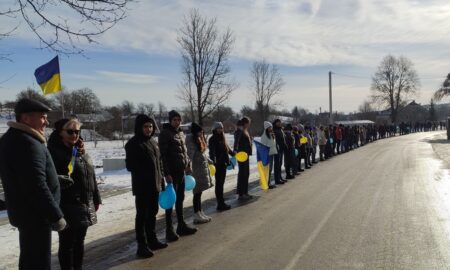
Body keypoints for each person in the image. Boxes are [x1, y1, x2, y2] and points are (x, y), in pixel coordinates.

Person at [0, 98, 66, 270]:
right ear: (26, 118)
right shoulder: (27, 143)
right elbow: (35, 185)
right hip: (36, 215)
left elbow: (26, 177)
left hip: (28, 213)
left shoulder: (15, 138)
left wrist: (55, 179)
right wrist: (55, 215)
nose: (46, 121)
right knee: (38, 262)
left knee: (30, 258)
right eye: (43, 117)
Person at [47, 118, 102, 268]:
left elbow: (91, 176)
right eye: (70, 131)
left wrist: (96, 198)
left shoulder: (81, 152)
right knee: (67, 243)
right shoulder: (53, 153)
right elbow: (49, 180)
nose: (74, 135)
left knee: (80, 241)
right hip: (66, 205)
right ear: (60, 133)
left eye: (77, 131)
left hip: (84, 203)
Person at [125, 114, 168, 258]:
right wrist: (145, 171)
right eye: (145, 126)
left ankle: (152, 240)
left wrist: (161, 179)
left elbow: (159, 163)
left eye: (150, 126)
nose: (148, 129)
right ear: (139, 127)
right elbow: (130, 166)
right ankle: (141, 245)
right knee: (142, 216)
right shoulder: (133, 144)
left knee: (153, 213)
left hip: (155, 184)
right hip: (143, 187)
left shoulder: (153, 142)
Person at [159, 110, 197, 242]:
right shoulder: (165, 134)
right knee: (170, 201)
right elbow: (162, 156)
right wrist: (166, 173)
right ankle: (169, 230)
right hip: (172, 173)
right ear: (170, 120)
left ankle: (181, 225)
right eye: (174, 119)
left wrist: (188, 164)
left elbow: (183, 152)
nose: (177, 122)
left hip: (181, 171)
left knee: (180, 199)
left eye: (179, 119)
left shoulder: (180, 133)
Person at [186, 123, 214, 224]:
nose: (201, 133)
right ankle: (196, 214)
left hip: (201, 169)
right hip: (195, 170)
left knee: (199, 192)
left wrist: (209, 161)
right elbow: (191, 155)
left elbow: (202, 153)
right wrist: (190, 168)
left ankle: (200, 212)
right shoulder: (191, 140)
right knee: (196, 193)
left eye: (201, 132)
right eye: (199, 132)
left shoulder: (199, 140)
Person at [208, 122, 234, 211]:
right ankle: (220, 204)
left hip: (223, 164)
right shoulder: (212, 139)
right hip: (218, 165)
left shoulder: (222, 138)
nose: (220, 129)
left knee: (221, 184)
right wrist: (213, 162)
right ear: (214, 129)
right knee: (219, 185)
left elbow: (227, 149)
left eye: (221, 128)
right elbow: (212, 152)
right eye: (218, 128)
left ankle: (221, 202)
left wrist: (234, 154)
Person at [234, 117, 253, 199]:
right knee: (243, 174)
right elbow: (236, 141)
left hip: (245, 155)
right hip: (242, 155)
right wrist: (235, 149)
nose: (249, 125)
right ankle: (242, 193)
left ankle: (244, 192)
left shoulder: (244, 131)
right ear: (245, 123)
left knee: (245, 174)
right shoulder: (240, 131)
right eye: (248, 123)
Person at [260, 121, 277, 189]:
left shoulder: (270, 135)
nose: (271, 128)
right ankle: (266, 183)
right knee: (267, 169)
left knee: (270, 169)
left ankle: (268, 182)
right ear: (267, 128)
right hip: (267, 155)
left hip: (271, 153)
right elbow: (263, 146)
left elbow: (272, 144)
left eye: (271, 127)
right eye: (270, 127)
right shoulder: (264, 136)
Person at [272, 119, 287, 184]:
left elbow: (283, 139)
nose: (279, 123)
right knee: (277, 164)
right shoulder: (274, 130)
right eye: (278, 123)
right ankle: (277, 179)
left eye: (280, 122)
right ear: (275, 123)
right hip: (277, 149)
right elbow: (275, 140)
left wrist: (285, 145)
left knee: (280, 164)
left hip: (281, 148)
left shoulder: (280, 129)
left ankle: (280, 177)